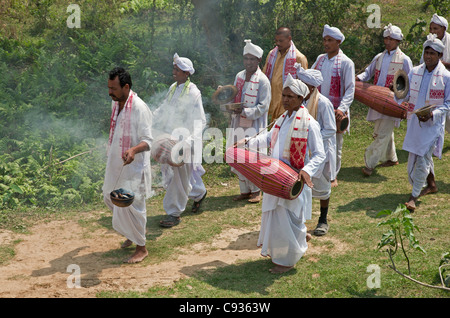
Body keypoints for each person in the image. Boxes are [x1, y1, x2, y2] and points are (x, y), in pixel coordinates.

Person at [244, 74, 325, 273]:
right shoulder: (282, 118)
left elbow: (320, 154)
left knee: (290, 220)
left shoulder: (310, 123)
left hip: (293, 180)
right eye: (284, 95)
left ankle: (287, 261)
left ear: (301, 99)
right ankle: (285, 249)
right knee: (279, 218)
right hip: (276, 176)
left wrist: (306, 171)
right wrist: (247, 143)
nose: (286, 99)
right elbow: (268, 138)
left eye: (291, 96)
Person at [394, 34, 450, 212]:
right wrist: (397, 90)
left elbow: (448, 104)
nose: (428, 56)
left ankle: (414, 196)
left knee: (423, 158)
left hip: (433, 125)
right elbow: (406, 94)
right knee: (417, 157)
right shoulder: (415, 71)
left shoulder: (446, 77)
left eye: (433, 53)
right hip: (415, 122)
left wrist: (433, 114)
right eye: (426, 52)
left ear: (440, 56)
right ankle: (431, 184)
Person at [103, 67, 153, 264]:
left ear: (126, 86)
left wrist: (133, 150)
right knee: (110, 196)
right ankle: (131, 234)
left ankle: (141, 248)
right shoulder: (116, 103)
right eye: (108, 88)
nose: (110, 92)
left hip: (135, 166)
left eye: (113, 88)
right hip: (116, 162)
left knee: (134, 204)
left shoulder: (140, 108)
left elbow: (148, 140)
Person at [153, 53, 207, 228]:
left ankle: (173, 213)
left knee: (179, 176)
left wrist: (188, 141)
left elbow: (201, 121)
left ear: (186, 73)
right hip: (171, 138)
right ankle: (200, 193)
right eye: (174, 68)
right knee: (181, 175)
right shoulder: (173, 88)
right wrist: (150, 116)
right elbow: (163, 108)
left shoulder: (193, 92)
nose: (174, 72)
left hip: (185, 141)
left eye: (178, 69)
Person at [356, 24, 413, 176]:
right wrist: (357, 79)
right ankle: (392, 158)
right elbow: (368, 73)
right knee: (383, 130)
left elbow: (411, 81)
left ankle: (370, 164)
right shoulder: (379, 57)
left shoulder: (404, 60)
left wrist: (405, 98)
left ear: (397, 41)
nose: (388, 41)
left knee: (381, 133)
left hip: (394, 102)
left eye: (391, 39)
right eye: (386, 38)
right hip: (378, 99)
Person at [228, 40, 271, 203]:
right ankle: (244, 190)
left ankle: (256, 190)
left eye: (252, 59)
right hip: (238, 122)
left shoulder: (263, 80)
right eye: (246, 58)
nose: (248, 62)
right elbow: (234, 95)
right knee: (239, 154)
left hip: (254, 125)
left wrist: (245, 111)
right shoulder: (239, 76)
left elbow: (263, 106)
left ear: (259, 60)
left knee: (253, 156)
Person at [312, 24, 355, 187]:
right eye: (324, 40)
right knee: (321, 141)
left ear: (338, 42)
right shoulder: (320, 59)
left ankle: (333, 176)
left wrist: (342, 108)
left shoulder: (346, 62)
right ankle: (321, 172)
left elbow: (350, 88)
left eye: (330, 40)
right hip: (320, 108)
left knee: (335, 145)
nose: (326, 43)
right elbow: (313, 78)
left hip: (337, 110)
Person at [296, 65, 336, 237]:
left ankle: (323, 219)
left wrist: (312, 136)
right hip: (302, 151)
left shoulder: (323, 103)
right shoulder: (299, 102)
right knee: (302, 189)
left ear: (311, 87)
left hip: (320, 152)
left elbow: (331, 129)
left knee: (322, 188)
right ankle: (300, 223)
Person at [263, 27, 308, 122]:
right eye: (276, 41)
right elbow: (264, 76)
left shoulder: (299, 58)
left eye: (281, 41)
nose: (278, 43)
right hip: (273, 103)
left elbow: (304, 86)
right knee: (273, 134)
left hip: (289, 106)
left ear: (289, 39)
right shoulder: (272, 55)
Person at [420, 14, 450, 134]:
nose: (432, 31)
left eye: (436, 29)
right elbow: (422, 63)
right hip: (432, 82)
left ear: (444, 29)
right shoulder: (429, 42)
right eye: (431, 29)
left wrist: (442, 64)